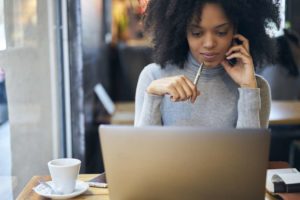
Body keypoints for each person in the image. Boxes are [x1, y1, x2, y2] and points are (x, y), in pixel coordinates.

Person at [135, 0, 280, 128]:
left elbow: (251, 156)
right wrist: (153, 94)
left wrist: (248, 90)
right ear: (182, 30)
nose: (209, 44)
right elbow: (140, 153)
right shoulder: (153, 77)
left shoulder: (256, 88)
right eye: (197, 33)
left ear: (236, 29)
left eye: (221, 32)